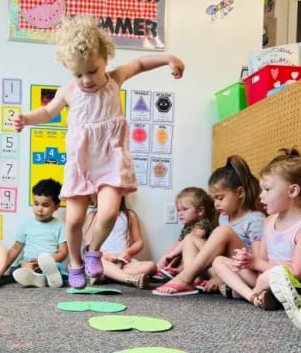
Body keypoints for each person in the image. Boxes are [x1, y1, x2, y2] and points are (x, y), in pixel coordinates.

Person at [13, 16, 184, 288]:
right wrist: (26, 119)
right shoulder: (69, 91)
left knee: (108, 213)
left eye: (92, 71)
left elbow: (140, 64)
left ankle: (93, 251)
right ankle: (76, 262)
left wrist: (169, 59)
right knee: (74, 219)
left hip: (110, 158)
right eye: (78, 74)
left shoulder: (115, 79)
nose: (86, 80)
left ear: (105, 58)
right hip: (82, 161)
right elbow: (47, 111)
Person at [153, 155, 265, 296]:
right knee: (190, 239)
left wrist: (221, 274)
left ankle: (185, 278)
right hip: (222, 266)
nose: (216, 204)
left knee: (223, 232)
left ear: (240, 193)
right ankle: (193, 278)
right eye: (214, 199)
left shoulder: (255, 219)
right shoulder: (224, 217)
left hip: (244, 271)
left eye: (220, 198)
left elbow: (257, 260)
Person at [212, 149, 301, 310]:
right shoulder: (268, 222)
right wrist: (247, 260)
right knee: (219, 261)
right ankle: (253, 296)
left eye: (267, 189)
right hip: (265, 275)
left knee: (268, 277)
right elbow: (261, 259)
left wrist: (257, 264)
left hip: (294, 284)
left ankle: (251, 293)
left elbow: (297, 273)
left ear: (292, 191)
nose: (261, 195)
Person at [83, 197, 157, 289]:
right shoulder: (93, 215)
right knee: (98, 263)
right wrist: (105, 255)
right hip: (101, 260)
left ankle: (108, 275)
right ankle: (129, 279)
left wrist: (129, 252)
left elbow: (138, 242)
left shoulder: (129, 215)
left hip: (124, 263)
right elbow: (88, 244)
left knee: (152, 266)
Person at [8, 179, 68, 288]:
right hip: (29, 262)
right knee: (24, 265)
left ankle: (46, 277)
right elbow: (16, 248)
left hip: (50, 262)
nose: (39, 209)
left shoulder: (60, 225)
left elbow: (63, 252)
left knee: (55, 267)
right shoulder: (26, 224)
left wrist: (47, 261)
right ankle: (37, 277)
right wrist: (4, 268)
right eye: (36, 204)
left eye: (45, 205)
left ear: (56, 207)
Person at [154, 187, 216, 282]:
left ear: (200, 211)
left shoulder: (203, 223)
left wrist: (170, 255)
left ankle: (179, 271)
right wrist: (170, 263)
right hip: (188, 260)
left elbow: (192, 239)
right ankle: (161, 268)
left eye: (184, 209)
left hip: (203, 262)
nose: (180, 214)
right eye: (178, 210)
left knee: (183, 244)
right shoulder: (186, 228)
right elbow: (179, 248)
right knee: (175, 245)